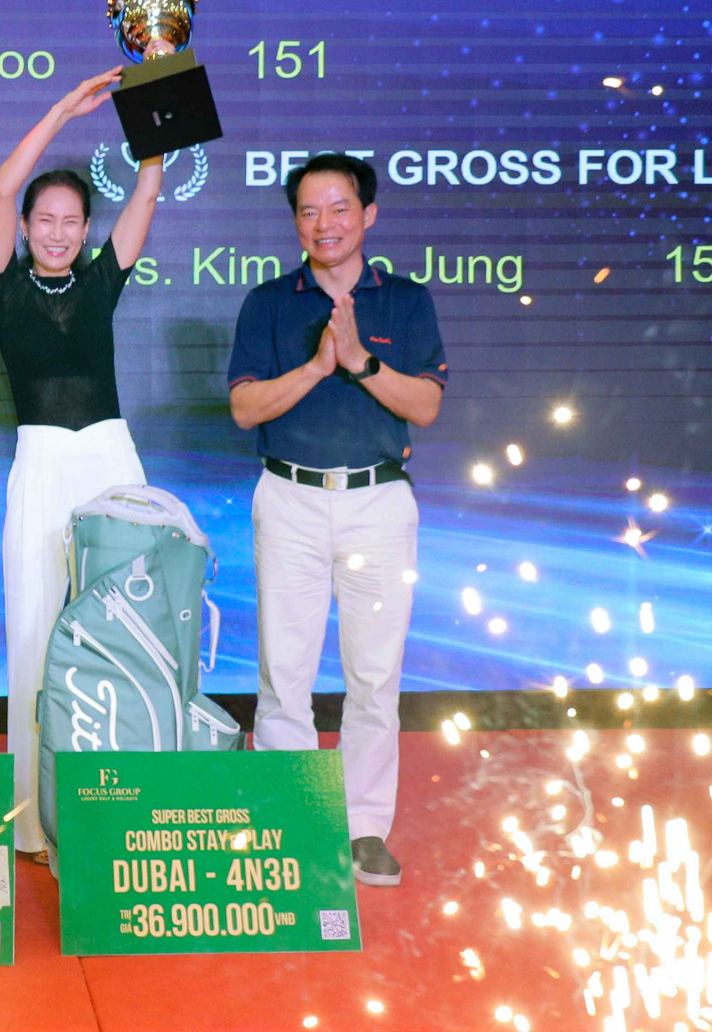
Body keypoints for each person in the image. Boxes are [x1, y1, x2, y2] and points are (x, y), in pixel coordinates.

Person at [225, 154, 447, 888]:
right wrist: (319, 367)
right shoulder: (268, 302)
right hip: (288, 496)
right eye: (309, 211)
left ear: (368, 214)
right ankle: (290, 820)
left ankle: (363, 828)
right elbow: (244, 407)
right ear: (296, 222)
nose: (325, 224)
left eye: (340, 207)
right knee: (283, 671)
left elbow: (426, 405)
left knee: (374, 675)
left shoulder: (406, 301)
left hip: (378, 502)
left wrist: (360, 361)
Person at [0, 69, 164, 856]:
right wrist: (62, 111)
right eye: (44, 220)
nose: (57, 233)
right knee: (32, 630)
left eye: (71, 221)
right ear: (25, 227)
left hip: (112, 462)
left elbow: (149, 185)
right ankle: (32, 820)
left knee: (127, 627)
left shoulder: (101, 282)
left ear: (88, 228)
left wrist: (151, 92)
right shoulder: (2, 287)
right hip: (42, 463)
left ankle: (120, 805)